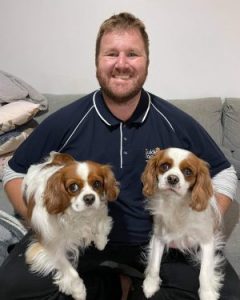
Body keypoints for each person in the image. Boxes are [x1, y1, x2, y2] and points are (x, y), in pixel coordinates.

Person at [0, 12, 239, 300]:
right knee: (13, 288)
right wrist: (41, 221)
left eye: (133, 54)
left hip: (157, 242)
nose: (122, 64)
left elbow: (224, 172)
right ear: (97, 62)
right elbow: (14, 171)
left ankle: (130, 285)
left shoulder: (175, 121)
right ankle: (112, 284)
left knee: (227, 295)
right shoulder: (68, 120)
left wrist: (205, 219)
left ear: (147, 63)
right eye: (111, 54)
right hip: (80, 240)